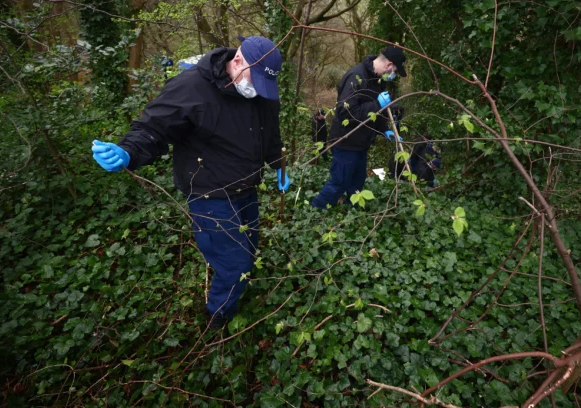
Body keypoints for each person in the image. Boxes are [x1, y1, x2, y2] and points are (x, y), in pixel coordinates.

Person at [91, 36, 290, 330]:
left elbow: (269, 134)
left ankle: (235, 284)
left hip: (246, 187)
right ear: (237, 61)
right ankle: (218, 316)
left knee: (248, 248)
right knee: (234, 265)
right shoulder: (191, 88)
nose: (258, 89)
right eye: (255, 79)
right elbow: (154, 128)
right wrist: (128, 151)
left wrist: (279, 166)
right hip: (211, 194)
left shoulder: (261, 92)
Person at [311, 45, 407, 209]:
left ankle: (352, 212)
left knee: (357, 182)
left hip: (361, 143)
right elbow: (345, 112)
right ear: (389, 64)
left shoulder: (377, 81)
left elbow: (374, 114)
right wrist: (377, 103)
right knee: (340, 182)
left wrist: (385, 129)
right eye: (395, 71)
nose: (394, 75)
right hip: (346, 141)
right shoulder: (356, 76)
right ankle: (317, 209)